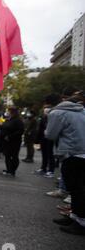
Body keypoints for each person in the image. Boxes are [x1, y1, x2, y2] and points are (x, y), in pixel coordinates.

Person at [47, 93, 85, 236]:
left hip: (71, 153)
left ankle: (80, 222)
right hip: (82, 153)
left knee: (76, 190)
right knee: (78, 188)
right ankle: (74, 218)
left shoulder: (57, 113)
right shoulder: (82, 111)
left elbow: (50, 134)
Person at [0, 107, 24, 177]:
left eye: (9, 111)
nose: (8, 113)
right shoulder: (9, 119)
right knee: (7, 156)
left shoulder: (18, 120)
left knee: (14, 156)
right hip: (6, 142)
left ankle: (12, 171)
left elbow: (20, 131)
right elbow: (4, 126)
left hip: (14, 142)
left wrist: (10, 136)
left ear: (13, 112)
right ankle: (8, 169)